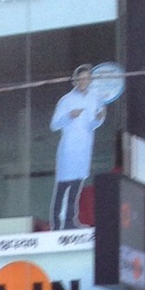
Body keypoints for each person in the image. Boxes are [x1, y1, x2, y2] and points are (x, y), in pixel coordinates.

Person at [50, 66, 105, 229]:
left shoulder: (94, 99)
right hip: (69, 147)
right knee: (62, 186)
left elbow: (92, 124)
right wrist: (69, 116)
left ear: (90, 80)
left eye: (86, 79)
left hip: (84, 146)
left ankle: (69, 221)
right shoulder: (66, 100)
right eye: (80, 79)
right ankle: (55, 221)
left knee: (76, 186)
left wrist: (98, 118)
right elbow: (54, 124)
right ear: (75, 80)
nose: (83, 82)